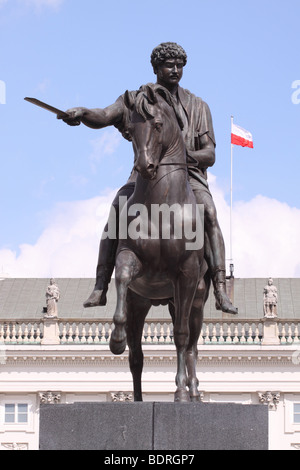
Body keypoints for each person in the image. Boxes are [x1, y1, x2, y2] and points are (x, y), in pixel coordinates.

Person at [61, 42, 238, 315]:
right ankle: (101, 284)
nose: (176, 70)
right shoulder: (135, 100)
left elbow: (210, 154)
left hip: (188, 177)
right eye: (169, 65)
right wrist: (82, 113)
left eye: (180, 65)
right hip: (143, 175)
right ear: (156, 68)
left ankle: (219, 287)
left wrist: (186, 157)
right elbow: (105, 116)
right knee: (118, 208)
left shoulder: (198, 106)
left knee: (210, 213)